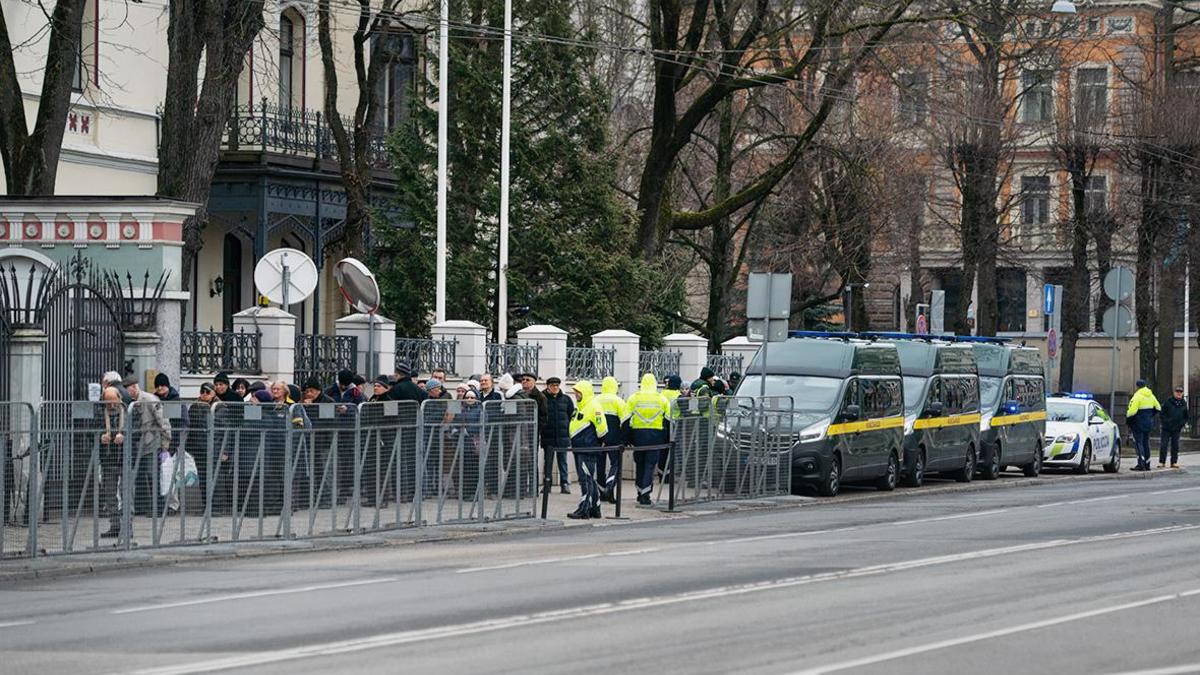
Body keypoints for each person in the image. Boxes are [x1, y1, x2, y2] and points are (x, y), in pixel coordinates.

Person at [123, 376, 173, 515]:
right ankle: (142, 507)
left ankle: (158, 508)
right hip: (136, 445)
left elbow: (163, 421)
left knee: (153, 476)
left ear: (133, 387)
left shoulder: (150, 399)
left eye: (127, 389)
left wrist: (165, 442)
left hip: (151, 443)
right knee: (138, 476)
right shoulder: (128, 401)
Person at [625, 373, 672, 507]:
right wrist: (667, 439)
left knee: (640, 463)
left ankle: (640, 492)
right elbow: (668, 420)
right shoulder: (661, 399)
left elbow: (626, 419)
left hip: (638, 436)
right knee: (650, 466)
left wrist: (627, 438)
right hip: (656, 436)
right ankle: (646, 494)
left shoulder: (634, 398)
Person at [568, 380, 609, 520]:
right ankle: (595, 509)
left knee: (586, 480)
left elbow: (602, 427)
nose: (576, 395)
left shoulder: (593, 406)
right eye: (575, 393)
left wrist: (600, 441)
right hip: (580, 448)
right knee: (589, 479)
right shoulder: (581, 406)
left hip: (588, 448)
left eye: (578, 393)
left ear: (584, 393)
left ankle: (583, 510)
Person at [98, 384, 127, 537]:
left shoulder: (129, 411)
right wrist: (100, 437)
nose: (111, 405)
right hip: (108, 459)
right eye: (108, 402)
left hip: (125, 459)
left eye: (114, 401)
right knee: (110, 495)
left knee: (126, 494)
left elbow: (137, 431)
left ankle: (127, 528)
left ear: (119, 399)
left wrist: (125, 435)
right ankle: (115, 525)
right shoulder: (99, 414)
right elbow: (90, 431)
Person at [594, 376, 627, 503]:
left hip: (599, 437)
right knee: (616, 464)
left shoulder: (596, 400)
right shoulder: (619, 401)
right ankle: (610, 487)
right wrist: (624, 439)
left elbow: (594, 419)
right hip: (614, 437)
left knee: (600, 466)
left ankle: (602, 493)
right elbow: (625, 421)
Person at [542, 377, 574, 494]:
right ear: (548, 386)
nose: (555, 387)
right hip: (548, 436)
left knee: (563, 461)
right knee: (548, 462)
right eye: (553, 385)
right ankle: (547, 484)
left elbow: (572, 415)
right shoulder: (543, 398)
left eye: (557, 385)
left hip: (562, 436)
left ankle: (564, 484)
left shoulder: (566, 399)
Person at [1126, 378, 1161, 471]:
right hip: (1148, 423)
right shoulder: (1151, 395)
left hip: (1138, 424)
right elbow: (1158, 407)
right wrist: (1150, 416)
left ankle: (1141, 464)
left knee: (1138, 443)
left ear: (1137, 386)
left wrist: (1128, 420)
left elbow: (1132, 412)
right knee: (1146, 443)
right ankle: (1147, 463)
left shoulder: (1137, 396)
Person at [1160, 385, 1187, 469]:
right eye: (1177, 392)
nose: (1179, 394)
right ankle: (1162, 462)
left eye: (1180, 392)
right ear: (1174, 393)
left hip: (1177, 428)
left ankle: (1174, 462)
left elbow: (1186, 416)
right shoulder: (1168, 401)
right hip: (1166, 428)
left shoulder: (1183, 403)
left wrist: (1181, 424)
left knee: (1175, 446)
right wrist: (1166, 422)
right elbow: (1162, 413)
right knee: (1164, 445)